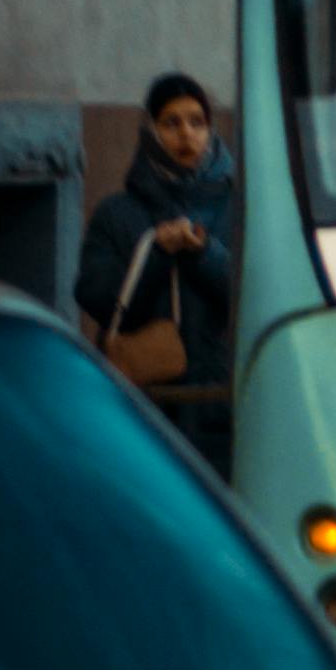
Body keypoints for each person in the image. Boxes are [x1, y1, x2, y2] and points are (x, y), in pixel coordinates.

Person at [78, 75, 239, 417]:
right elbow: (96, 298)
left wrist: (204, 251)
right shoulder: (117, 213)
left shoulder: (241, 209)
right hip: (144, 405)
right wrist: (157, 254)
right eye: (171, 123)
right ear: (151, 132)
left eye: (197, 122)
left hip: (222, 404)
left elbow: (259, 292)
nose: (186, 134)